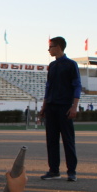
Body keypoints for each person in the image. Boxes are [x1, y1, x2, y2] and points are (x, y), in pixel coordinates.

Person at [39, 37, 81, 182]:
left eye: (50, 47)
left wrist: (74, 106)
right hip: (51, 106)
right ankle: (54, 170)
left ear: (58, 47)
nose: (49, 50)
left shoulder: (71, 64)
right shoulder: (52, 65)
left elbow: (77, 85)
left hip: (64, 107)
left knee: (68, 139)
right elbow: (48, 86)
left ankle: (71, 171)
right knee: (51, 140)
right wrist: (44, 106)